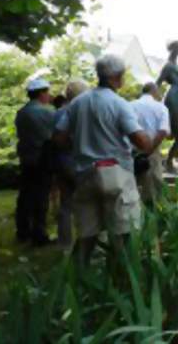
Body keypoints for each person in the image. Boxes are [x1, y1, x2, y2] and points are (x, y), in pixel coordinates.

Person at [54, 55, 152, 264]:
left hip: (85, 173)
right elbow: (141, 141)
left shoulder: (77, 103)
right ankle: (120, 280)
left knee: (87, 234)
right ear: (117, 77)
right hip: (116, 173)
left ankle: (76, 280)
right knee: (124, 232)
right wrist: (148, 137)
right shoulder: (119, 104)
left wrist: (81, 145)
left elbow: (59, 138)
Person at [14, 78, 56, 246]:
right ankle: (39, 234)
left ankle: (22, 230)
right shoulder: (48, 112)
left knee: (25, 195)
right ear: (41, 93)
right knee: (41, 197)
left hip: (26, 158)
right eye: (47, 92)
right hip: (42, 159)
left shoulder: (21, 112)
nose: (49, 95)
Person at [53, 80, 89, 250]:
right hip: (82, 163)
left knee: (65, 204)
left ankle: (64, 243)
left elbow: (55, 139)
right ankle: (85, 242)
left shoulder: (58, 113)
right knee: (86, 204)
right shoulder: (85, 112)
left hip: (62, 162)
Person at [131, 82, 171, 203]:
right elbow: (163, 130)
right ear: (154, 91)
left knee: (134, 190)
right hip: (152, 151)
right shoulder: (161, 107)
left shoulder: (129, 106)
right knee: (154, 190)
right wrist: (148, 150)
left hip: (132, 153)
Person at [157, 40, 178, 171]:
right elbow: (158, 83)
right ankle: (168, 162)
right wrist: (155, 101)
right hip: (173, 99)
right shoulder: (168, 66)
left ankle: (168, 161)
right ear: (173, 50)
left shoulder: (175, 65)